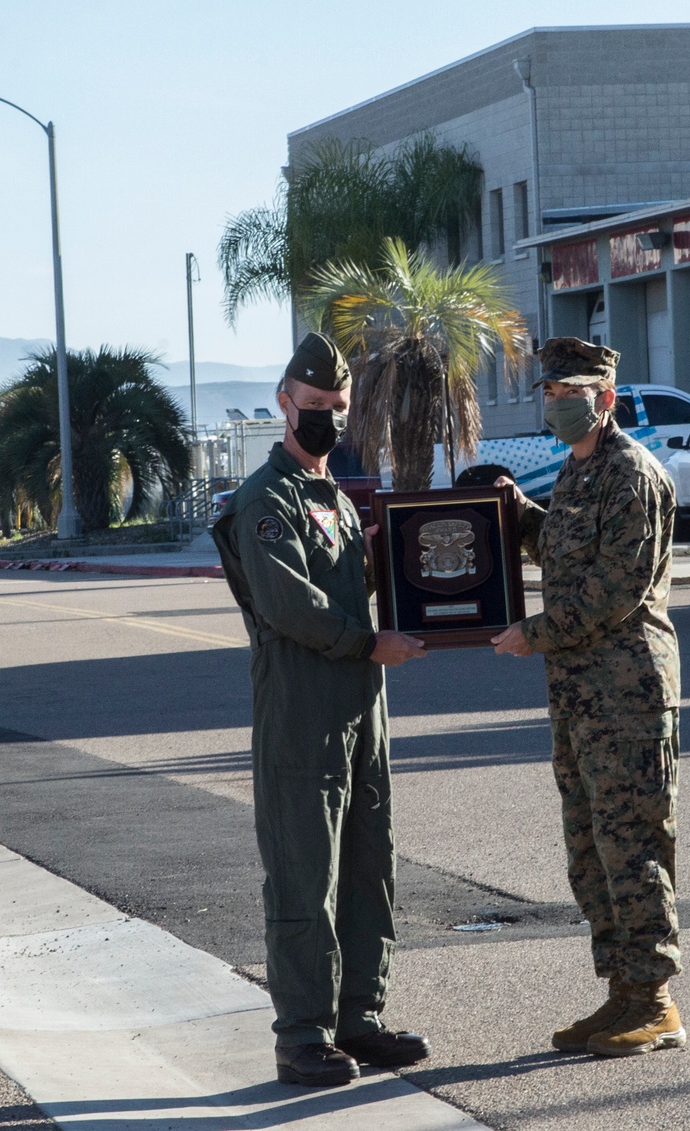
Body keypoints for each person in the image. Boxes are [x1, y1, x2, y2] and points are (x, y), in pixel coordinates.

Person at [213, 333, 431, 1088]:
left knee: (370, 865)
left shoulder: (334, 496)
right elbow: (289, 606)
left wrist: (393, 553)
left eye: (337, 409)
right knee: (305, 873)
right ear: (283, 400)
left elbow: (349, 583)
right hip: (303, 714)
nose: (326, 421)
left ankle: (357, 1017)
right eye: (314, 408)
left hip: (360, 709)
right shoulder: (265, 499)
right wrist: (369, 642)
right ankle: (302, 1032)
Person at [492, 336, 685, 1058]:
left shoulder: (632, 474)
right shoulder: (576, 474)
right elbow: (567, 553)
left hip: (628, 694)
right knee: (590, 849)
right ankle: (621, 993)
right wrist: (517, 515)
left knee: (633, 846)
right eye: (548, 393)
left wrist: (530, 632)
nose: (555, 404)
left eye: (568, 393)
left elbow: (613, 589)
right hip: (579, 696)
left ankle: (656, 1000)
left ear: (605, 400)